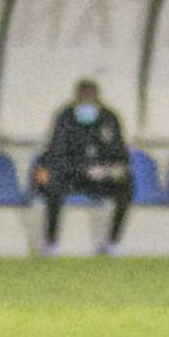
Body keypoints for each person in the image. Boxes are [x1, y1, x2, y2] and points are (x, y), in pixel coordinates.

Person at [33, 79, 134, 255]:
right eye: (83, 100)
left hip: (100, 178)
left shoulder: (109, 118)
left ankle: (112, 243)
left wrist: (112, 169)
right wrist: (84, 169)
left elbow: (120, 152)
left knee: (127, 186)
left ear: (98, 100)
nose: (87, 105)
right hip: (71, 176)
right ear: (76, 99)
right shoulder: (65, 117)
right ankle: (51, 242)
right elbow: (56, 154)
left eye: (91, 100)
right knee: (52, 185)